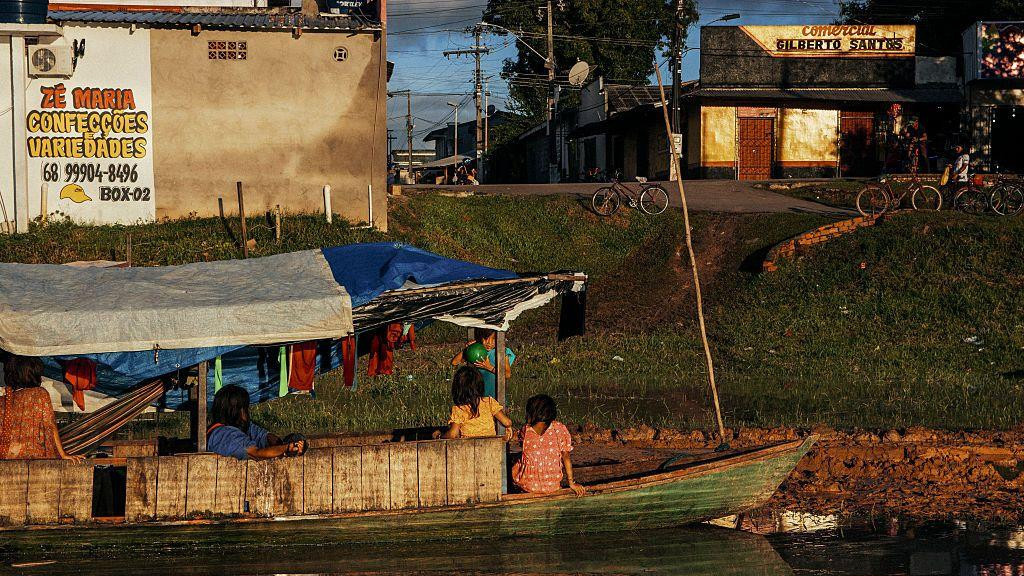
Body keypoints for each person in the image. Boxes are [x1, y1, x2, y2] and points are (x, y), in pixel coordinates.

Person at [0, 355, 79, 461]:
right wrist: (63, 454)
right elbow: (50, 425)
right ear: (33, 374)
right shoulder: (40, 393)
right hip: (36, 454)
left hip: (7, 455)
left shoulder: (5, 399)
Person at [207, 385, 306, 460]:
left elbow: (262, 435)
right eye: (245, 409)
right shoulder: (225, 435)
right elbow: (256, 453)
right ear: (236, 411)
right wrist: (287, 448)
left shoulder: (239, 426)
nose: (247, 413)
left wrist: (284, 443)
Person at [511, 394, 585, 496]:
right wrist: (571, 483)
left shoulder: (525, 430)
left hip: (528, 485)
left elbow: (523, 445)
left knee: (517, 459)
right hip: (552, 486)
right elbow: (566, 456)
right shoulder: (558, 428)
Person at [442, 366, 513, 440]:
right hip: (491, 446)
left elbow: (452, 434)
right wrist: (508, 427)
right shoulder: (489, 402)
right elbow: (507, 422)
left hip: (468, 448)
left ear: (458, 389)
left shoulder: (459, 409)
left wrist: (440, 436)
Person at [450, 328, 514, 399]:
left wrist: (489, 367)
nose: (489, 343)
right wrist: (468, 348)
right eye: (486, 338)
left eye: (493, 339)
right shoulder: (477, 350)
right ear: (481, 337)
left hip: (496, 397)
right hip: (478, 397)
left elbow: (507, 374)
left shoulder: (501, 352)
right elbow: (454, 362)